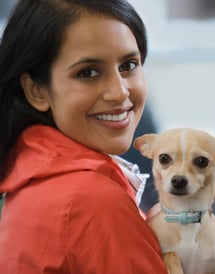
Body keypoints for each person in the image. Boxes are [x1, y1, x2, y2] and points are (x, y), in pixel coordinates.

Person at [0, 0, 168, 273]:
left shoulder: (33, 175)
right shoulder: (91, 200)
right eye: (88, 73)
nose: (120, 92)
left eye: (129, 65)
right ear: (36, 91)